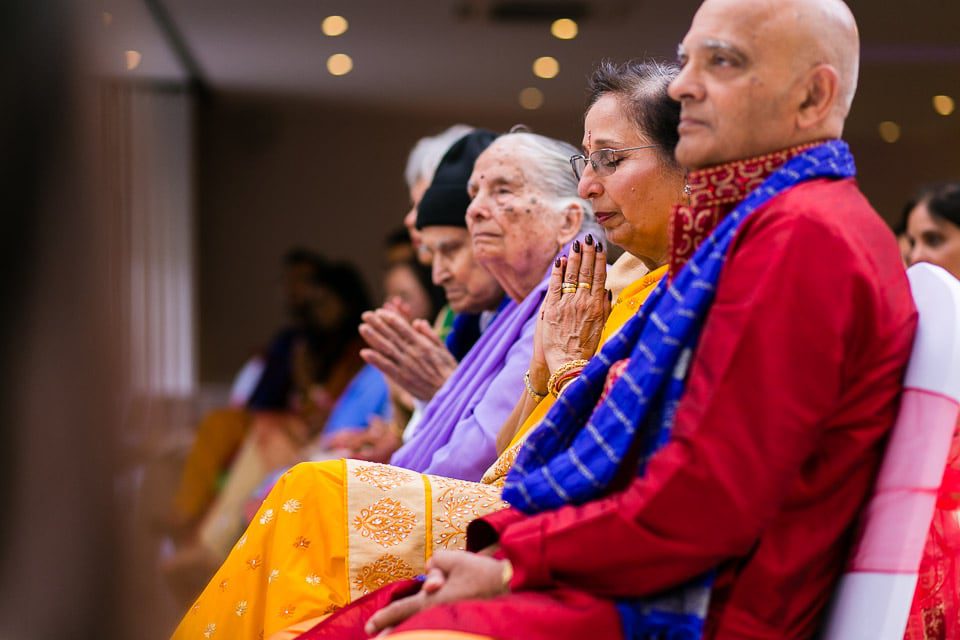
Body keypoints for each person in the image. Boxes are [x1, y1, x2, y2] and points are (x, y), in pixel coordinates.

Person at [310, 1, 918, 639]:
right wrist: (515, 546)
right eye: (687, 60)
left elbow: (707, 501)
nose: (683, 86)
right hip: (657, 567)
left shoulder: (802, 237)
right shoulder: (768, 226)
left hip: (699, 606)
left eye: (723, 62)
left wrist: (517, 563)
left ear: (813, 95)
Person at [172, 127, 598, 639]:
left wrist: (409, 438)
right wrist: (405, 438)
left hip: (513, 511)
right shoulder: (510, 310)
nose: (476, 211)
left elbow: (484, 452)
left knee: (313, 485)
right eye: (474, 194)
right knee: (311, 482)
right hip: (484, 495)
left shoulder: (574, 297)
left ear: (569, 219)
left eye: (500, 191)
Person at [165, 248, 328, 536]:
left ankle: (194, 524)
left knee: (230, 426)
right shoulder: (287, 339)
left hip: (288, 422)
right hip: (261, 414)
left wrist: (303, 379)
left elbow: (317, 405)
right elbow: (260, 395)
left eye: (302, 280)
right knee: (217, 425)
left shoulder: (327, 344)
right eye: (288, 281)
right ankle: (189, 518)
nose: (293, 289)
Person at [901, 182, 960, 639]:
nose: (917, 254)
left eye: (935, 239)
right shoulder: (914, 337)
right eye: (913, 240)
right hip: (919, 559)